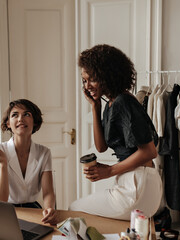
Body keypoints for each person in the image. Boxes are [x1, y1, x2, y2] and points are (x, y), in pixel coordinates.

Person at [69, 44, 162, 220]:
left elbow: (150, 151)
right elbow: (101, 146)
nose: (87, 85)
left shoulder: (124, 102)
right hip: (134, 181)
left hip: (138, 181)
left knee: (74, 211)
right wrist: (95, 107)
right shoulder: (111, 104)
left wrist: (110, 171)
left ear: (107, 76)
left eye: (92, 79)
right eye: (84, 80)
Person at [0, 99, 57, 224]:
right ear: (8, 123)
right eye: (14, 115)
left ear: (34, 122)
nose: (20, 119)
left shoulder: (44, 153)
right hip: (5, 211)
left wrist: (49, 208)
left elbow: (48, 192)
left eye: (27, 114)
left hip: (34, 210)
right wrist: (3, 164)